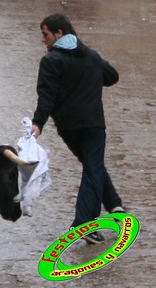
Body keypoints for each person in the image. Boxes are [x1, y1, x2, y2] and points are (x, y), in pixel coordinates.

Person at [31, 14, 124, 244]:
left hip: (69, 127)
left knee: (92, 167)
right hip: (94, 124)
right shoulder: (91, 56)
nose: (43, 40)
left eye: (45, 34)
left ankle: (108, 208)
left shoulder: (52, 61)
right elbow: (112, 76)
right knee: (93, 167)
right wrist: (91, 74)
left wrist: (38, 123)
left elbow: (46, 96)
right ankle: (89, 221)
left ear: (59, 33)